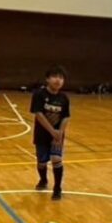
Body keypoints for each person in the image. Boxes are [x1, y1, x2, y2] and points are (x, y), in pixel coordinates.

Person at [30, 66, 70, 201]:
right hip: (42, 134)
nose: (58, 80)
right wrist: (52, 131)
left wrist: (59, 133)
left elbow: (66, 116)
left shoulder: (64, 98)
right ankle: (43, 179)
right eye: (55, 77)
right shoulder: (39, 94)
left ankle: (57, 188)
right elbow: (38, 114)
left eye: (61, 78)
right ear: (47, 79)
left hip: (57, 136)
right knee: (41, 162)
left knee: (56, 159)